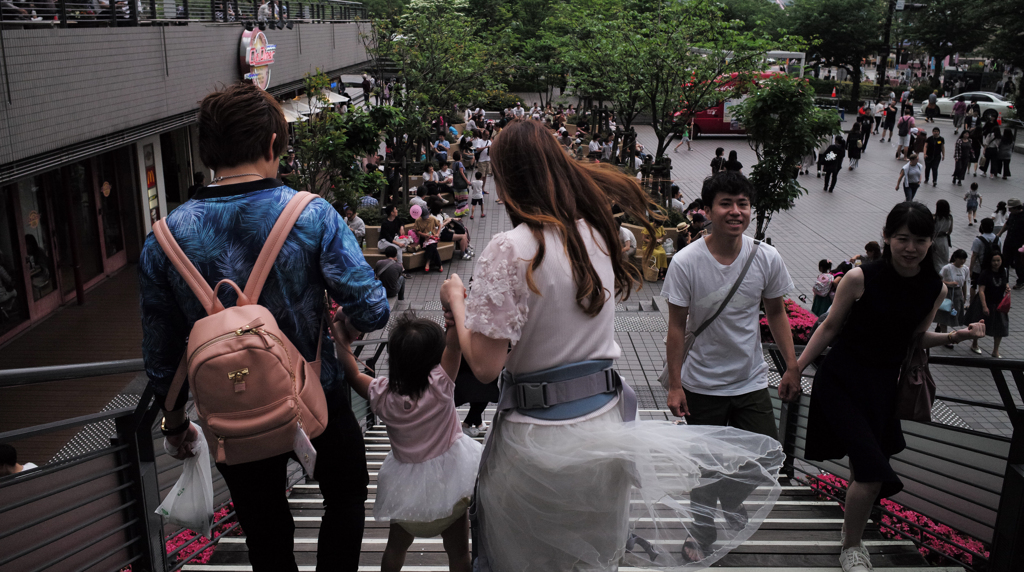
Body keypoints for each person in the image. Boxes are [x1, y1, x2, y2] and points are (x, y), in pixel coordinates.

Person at [441, 121, 784, 570]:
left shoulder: (510, 248)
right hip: (606, 430)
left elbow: (486, 367)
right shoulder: (601, 235)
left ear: (505, 181)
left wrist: (456, 301)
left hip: (537, 440)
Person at [138, 82, 390, 572]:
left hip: (232, 412)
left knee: (265, 533)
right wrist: (344, 326)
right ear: (274, 142)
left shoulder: (163, 239)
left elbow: (161, 356)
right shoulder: (310, 214)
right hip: (318, 396)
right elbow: (372, 307)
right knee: (345, 496)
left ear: (207, 151)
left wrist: (174, 422)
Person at [798, 201, 985, 572]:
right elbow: (830, 327)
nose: (910, 248)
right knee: (872, 473)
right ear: (886, 236)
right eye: (902, 238)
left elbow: (915, 338)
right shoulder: (859, 278)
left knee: (863, 467)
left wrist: (956, 336)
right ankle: (852, 547)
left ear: (931, 241)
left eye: (920, 240)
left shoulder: (934, 289)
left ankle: (850, 532)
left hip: (883, 388)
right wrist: (795, 369)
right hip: (841, 381)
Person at [662, 171, 798, 560]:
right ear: (707, 210)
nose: (736, 211)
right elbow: (676, 327)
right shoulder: (687, 262)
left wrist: (791, 366)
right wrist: (675, 385)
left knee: (769, 455)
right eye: (726, 203)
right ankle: (701, 534)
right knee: (705, 468)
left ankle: (730, 499)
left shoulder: (766, 257)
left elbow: (776, 313)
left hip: (750, 380)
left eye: (743, 204)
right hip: (701, 384)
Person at [333, 313, 480, 572]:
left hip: (406, 494)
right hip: (451, 489)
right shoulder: (440, 386)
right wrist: (452, 311)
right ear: (436, 357)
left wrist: (339, 333)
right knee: (459, 554)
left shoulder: (382, 395)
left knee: (395, 548)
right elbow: (455, 346)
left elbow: (353, 374)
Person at [967, 253, 1009, 358]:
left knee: (1000, 327)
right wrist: (984, 306)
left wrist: (1007, 288)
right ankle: (974, 344)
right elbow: (981, 291)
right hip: (985, 301)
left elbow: (1006, 283)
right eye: (994, 261)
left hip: (999, 303)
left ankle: (995, 350)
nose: (996, 263)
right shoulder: (985, 273)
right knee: (979, 323)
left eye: (998, 260)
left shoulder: (1004, 271)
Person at [936, 249, 969, 341]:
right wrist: (949, 283)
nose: (962, 261)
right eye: (960, 259)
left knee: (954, 313)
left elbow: (964, 283)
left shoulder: (965, 269)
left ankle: (942, 328)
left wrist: (964, 296)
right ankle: (945, 336)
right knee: (944, 314)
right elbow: (938, 280)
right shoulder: (947, 268)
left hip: (957, 293)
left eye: (964, 259)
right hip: (947, 292)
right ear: (955, 258)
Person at [969, 217, 1000, 304]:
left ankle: (972, 303)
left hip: (979, 268)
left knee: (974, 285)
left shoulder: (978, 240)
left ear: (982, 227)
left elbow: (974, 255)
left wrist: (971, 269)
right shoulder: (998, 239)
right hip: (993, 268)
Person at [996, 198, 1024, 289]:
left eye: (1010, 208)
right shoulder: (1012, 214)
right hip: (1008, 242)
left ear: (1016, 208)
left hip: (1019, 244)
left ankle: (1021, 281)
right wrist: (1000, 233)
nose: (1008, 210)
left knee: (1018, 263)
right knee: (1005, 262)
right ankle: (1004, 280)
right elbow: (1007, 224)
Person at [932, 200, 953, 274]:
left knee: (936, 259)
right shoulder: (950, 217)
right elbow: (950, 231)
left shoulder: (934, 218)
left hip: (935, 240)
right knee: (944, 258)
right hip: (944, 240)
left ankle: (938, 273)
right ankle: (945, 273)